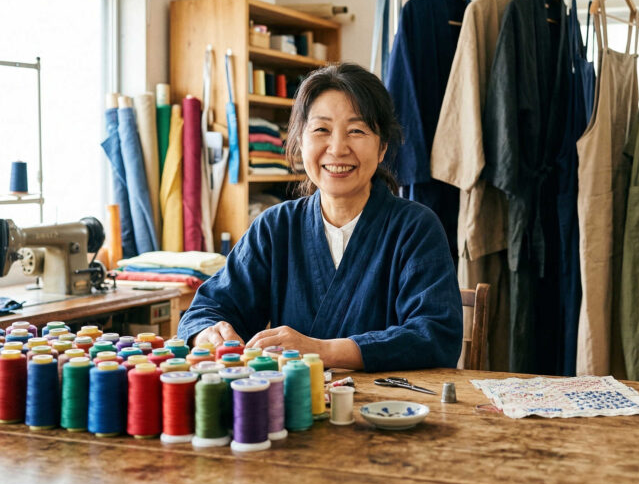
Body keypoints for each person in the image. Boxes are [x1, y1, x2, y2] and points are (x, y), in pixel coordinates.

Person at [177, 63, 463, 371]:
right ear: (300, 141)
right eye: (321, 130)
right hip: (295, 410)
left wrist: (322, 351)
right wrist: (208, 331)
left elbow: (435, 335)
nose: (337, 148)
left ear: (382, 148)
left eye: (356, 130)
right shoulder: (275, 227)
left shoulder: (416, 228)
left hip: (392, 410)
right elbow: (206, 309)